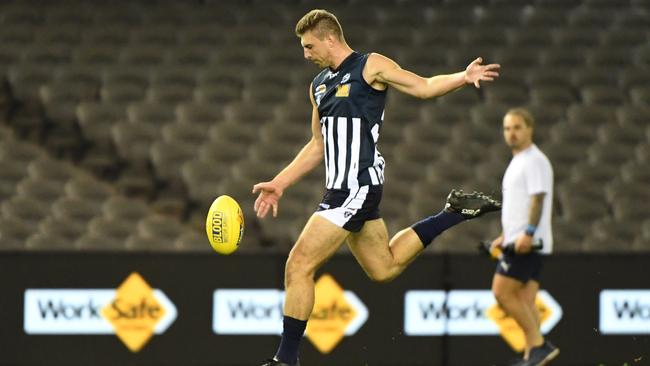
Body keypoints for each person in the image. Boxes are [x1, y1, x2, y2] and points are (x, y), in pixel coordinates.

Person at [252, 9, 501, 366]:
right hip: (342, 190)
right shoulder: (318, 85)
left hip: (357, 185)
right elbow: (318, 144)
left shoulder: (370, 66)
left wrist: (463, 76)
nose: (305, 54)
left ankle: (285, 360)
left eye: (309, 46)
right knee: (383, 268)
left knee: (298, 265)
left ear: (329, 38)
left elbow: (425, 86)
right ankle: (453, 213)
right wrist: (280, 182)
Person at [490, 108, 559, 366]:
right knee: (525, 299)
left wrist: (527, 234)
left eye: (517, 127)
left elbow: (537, 199)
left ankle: (539, 345)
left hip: (527, 243)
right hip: (517, 239)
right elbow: (518, 205)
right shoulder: (518, 160)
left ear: (530, 128)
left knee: (501, 292)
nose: (512, 133)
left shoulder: (534, 160)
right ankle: (533, 356)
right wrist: (504, 235)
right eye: (507, 128)